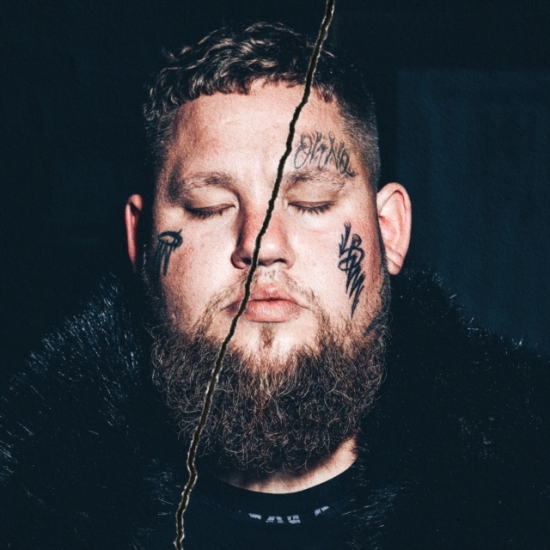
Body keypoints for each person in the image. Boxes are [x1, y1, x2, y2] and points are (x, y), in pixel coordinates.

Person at [1, 22, 548, 550]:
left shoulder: (529, 483)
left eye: (310, 201)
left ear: (389, 232)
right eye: (208, 207)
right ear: (141, 241)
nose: (261, 244)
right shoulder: (24, 503)